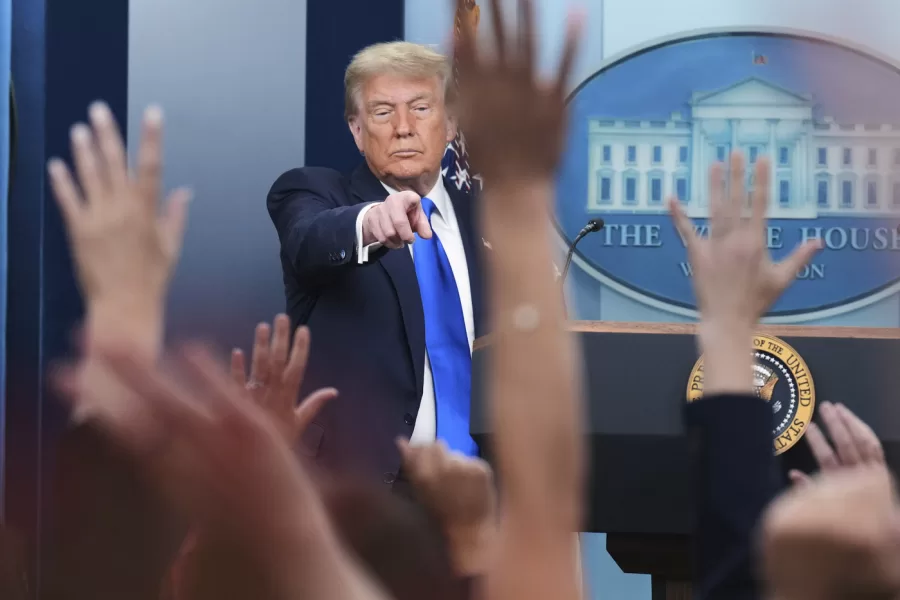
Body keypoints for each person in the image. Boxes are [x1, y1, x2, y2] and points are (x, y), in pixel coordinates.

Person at [267, 40, 485, 484]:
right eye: (383, 112)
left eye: (421, 108)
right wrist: (370, 223)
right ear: (357, 129)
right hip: (362, 494)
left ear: (451, 123)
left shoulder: (489, 219)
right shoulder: (312, 192)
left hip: (477, 493)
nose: (403, 128)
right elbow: (308, 240)